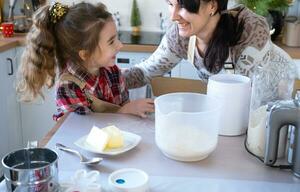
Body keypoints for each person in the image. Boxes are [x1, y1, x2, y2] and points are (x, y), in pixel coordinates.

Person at [17, 2, 154, 119]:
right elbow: (84, 133)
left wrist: (132, 110)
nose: (120, 45)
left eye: (116, 38)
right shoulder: (68, 87)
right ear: (85, 54)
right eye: (111, 42)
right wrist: (125, 111)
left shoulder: (112, 71)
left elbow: (125, 109)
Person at [123, 0, 296, 89]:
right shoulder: (180, 36)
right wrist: (103, 80)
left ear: (212, 5)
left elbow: (245, 95)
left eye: (183, 5)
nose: (173, 16)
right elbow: (145, 72)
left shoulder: (250, 30)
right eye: (170, 4)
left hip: (279, 98)